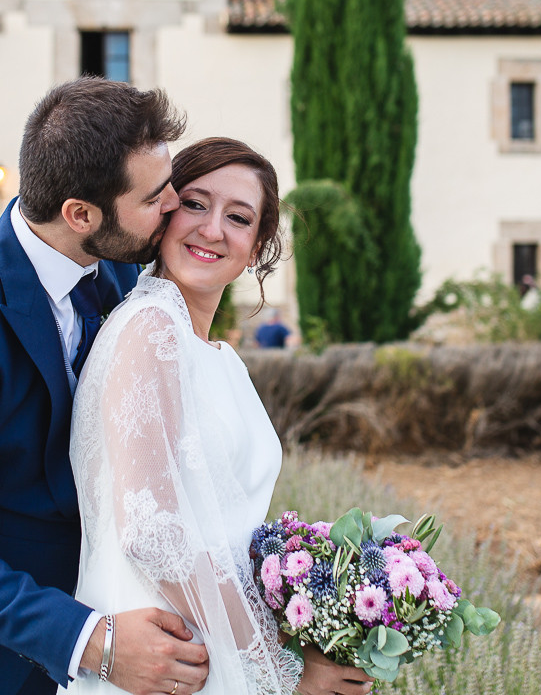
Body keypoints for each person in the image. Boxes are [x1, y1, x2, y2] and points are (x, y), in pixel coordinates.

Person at [0, 78, 211, 695]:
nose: (176, 202)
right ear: (80, 214)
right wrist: (93, 641)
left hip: (100, 616)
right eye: (155, 195)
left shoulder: (121, 274)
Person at [69, 137, 374, 695]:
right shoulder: (151, 328)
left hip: (214, 644)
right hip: (166, 656)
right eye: (195, 203)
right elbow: (151, 531)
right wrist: (284, 671)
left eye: (238, 217)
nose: (212, 230)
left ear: (257, 247)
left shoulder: (215, 356)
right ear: (163, 214)